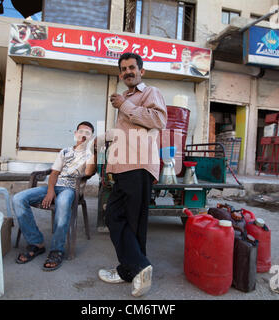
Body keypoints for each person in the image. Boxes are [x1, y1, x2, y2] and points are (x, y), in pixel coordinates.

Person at [98, 52, 167, 297]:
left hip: (138, 166)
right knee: (116, 217)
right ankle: (134, 268)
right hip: (124, 167)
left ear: (141, 71)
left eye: (132, 67)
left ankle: (135, 268)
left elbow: (159, 120)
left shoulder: (150, 92)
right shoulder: (125, 98)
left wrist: (125, 106)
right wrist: (110, 166)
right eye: (124, 69)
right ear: (120, 74)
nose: (128, 71)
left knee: (131, 223)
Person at [13, 121, 96, 271]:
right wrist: (50, 191)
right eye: (81, 131)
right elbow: (54, 174)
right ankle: (36, 242)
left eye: (87, 133)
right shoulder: (65, 151)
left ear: (91, 137)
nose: (83, 135)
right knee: (18, 198)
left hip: (71, 189)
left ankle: (57, 250)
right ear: (75, 134)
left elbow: (89, 172)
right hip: (55, 186)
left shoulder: (90, 154)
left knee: (63, 203)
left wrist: (92, 151)